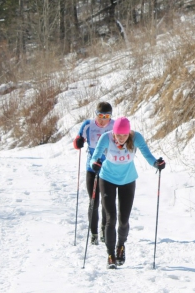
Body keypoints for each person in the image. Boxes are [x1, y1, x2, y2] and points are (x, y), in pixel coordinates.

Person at [89, 116, 166, 269]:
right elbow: (95, 156)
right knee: (111, 218)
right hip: (107, 179)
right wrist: (95, 164)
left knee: (124, 220)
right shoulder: (106, 137)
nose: (122, 138)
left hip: (128, 180)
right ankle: (110, 255)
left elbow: (147, 155)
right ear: (114, 132)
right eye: (119, 135)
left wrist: (157, 164)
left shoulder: (136, 137)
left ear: (129, 132)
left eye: (125, 135)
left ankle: (120, 246)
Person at [73, 102, 115, 245]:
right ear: (95, 115)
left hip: (108, 169)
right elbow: (77, 141)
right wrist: (78, 142)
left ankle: (104, 230)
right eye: (100, 116)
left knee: (106, 202)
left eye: (107, 116)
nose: (103, 120)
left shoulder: (114, 126)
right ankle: (94, 233)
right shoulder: (88, 125)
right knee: (94, 202)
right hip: (92, 169)